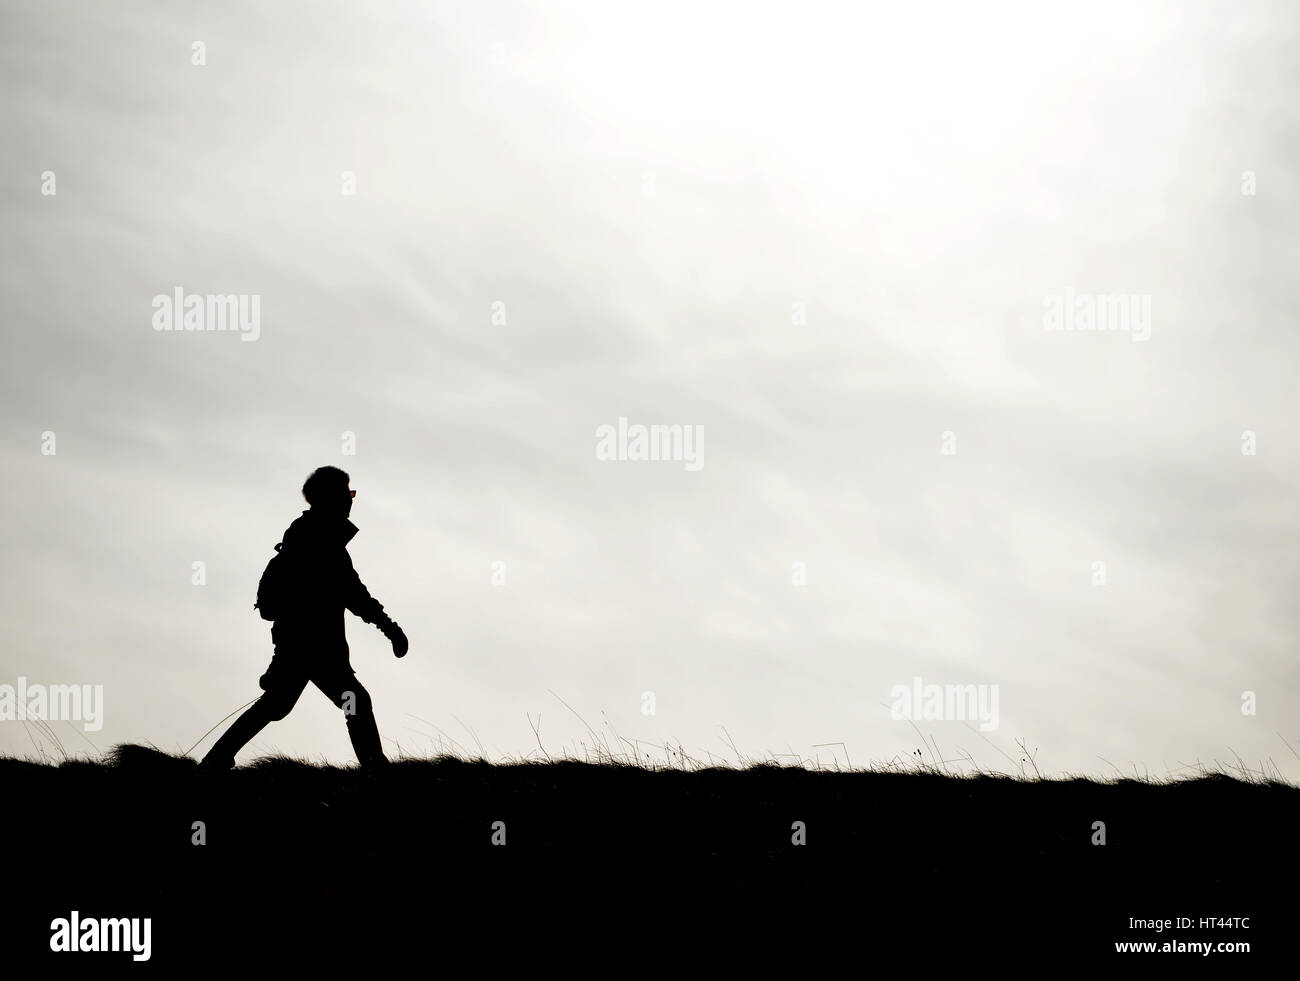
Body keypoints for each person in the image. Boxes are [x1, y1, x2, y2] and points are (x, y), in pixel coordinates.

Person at [200, 466, 407, 771]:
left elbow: (352, 594)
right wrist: (391, 629)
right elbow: (354, 595)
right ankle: (375, 768)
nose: (351, 501)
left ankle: (214, 761)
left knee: (278, 704)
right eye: (347, 494)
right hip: (311, 645)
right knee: (352, 701)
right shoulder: (320, 540)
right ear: (332, 498)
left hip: (300, 644)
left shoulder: (311, 536)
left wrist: (389, 628)